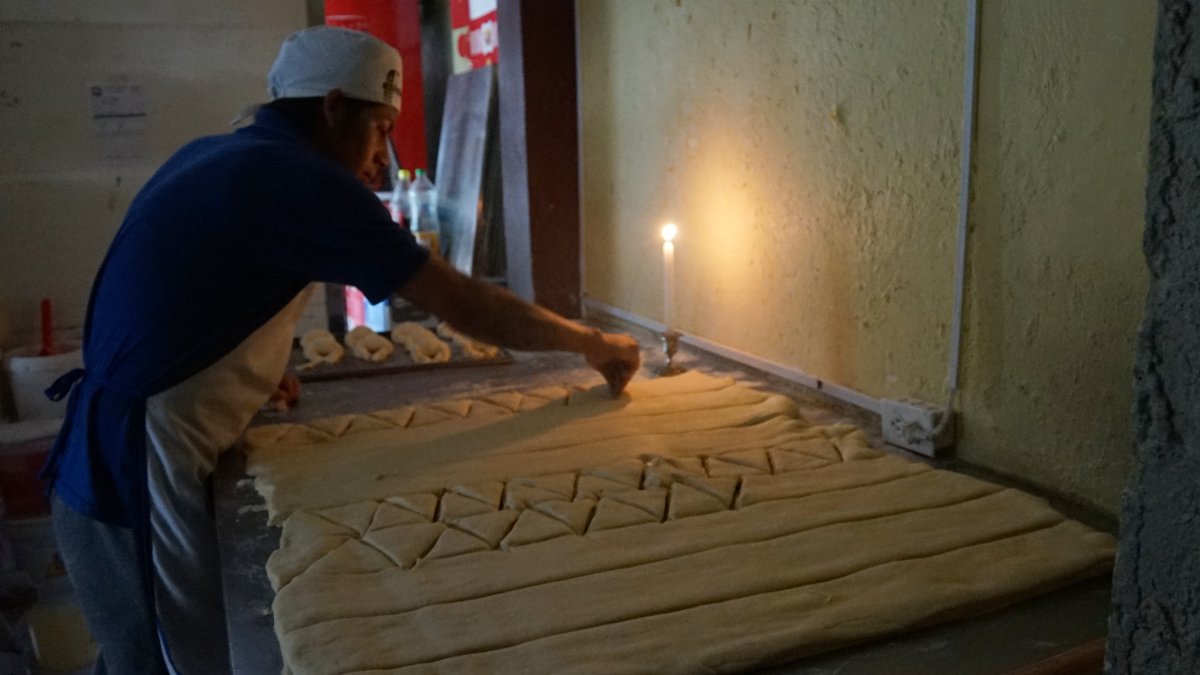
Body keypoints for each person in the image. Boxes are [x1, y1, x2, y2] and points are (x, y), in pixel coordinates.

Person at [42, 26, 640, 675]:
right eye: (380, 127)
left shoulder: (220, 156)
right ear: (331, 108)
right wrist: (592, 343)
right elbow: (465, 305)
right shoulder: (298, 178)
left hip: (122, 445)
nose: (382, 156)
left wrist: (243, 376)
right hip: (128, 467)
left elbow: (183, 304)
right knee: (168, 664)